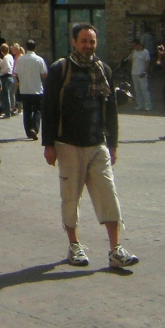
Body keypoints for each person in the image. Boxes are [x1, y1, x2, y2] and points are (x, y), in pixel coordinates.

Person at [42, 22, 138, 270]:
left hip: (97, 144)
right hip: (68, 145)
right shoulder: (60, 69)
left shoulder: (103, 70)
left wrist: (113, 143)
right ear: (74, 42)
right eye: (84, 41)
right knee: (70, 198)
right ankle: (74, 245)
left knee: (108, 195)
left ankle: (116, 249)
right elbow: (49, 108)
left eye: (92, 41)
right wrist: (49, 144)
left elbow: (111, 110)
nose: (88, 46)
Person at [16, 39, 49, 139]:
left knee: (27, 110)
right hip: (37, 89)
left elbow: (16, 73)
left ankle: (28, 130)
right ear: (35, 48)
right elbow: (44, 74)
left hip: (24, 89)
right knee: (37, 110)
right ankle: (35, 128)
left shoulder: (20, 59)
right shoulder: (39, 59)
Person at [126, 38, 152, 112]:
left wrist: (145, 71)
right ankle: (139, 105)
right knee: (137, 90)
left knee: (144, 89)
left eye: (134, 45)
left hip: (142, 73)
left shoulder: (145, 52)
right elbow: (131, 60)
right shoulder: (134, 52)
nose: (133, 47)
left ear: (138, 44)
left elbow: (147, 62)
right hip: (134, 72)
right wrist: (129, 59)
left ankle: (148, 105)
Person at [0, 43, 16, 119]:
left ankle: (7, 112)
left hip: (5, 76)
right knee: (6, 95)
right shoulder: (10, 56)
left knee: (5, 95)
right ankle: (7, 111)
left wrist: (3, 70)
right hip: (10, 76)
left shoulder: (6, 57)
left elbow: (7, 66)